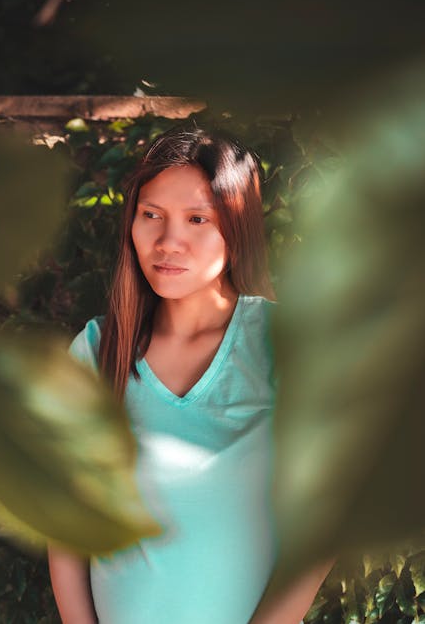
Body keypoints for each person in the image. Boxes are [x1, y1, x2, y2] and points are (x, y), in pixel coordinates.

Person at [48, 123, 329, 624]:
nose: (168, 241)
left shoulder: (284, 344)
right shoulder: (95, 352)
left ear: (236, 227)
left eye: (197, 219)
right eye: (151, 215)